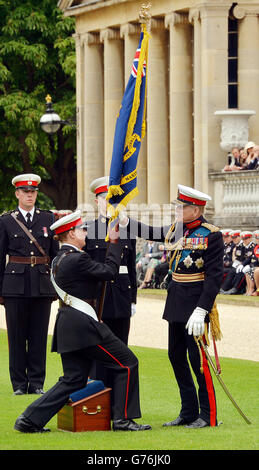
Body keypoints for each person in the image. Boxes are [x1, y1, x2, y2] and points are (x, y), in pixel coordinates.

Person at [14, 210, 151, 433]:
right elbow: (109, 272)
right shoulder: (78, 258)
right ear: (70, 234)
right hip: (83, 326)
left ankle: (29, 420)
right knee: (127, 362)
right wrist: (114, 243)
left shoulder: (60, 259)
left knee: (74, 379)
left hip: (69, 326)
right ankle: (122, 420)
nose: (85, 232)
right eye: (81, 229)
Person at [120, 184, 224, 428]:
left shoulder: (212, 234)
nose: (178, 210)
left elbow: (214, 277)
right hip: (176, 300)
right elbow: (153, 232)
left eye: (183, 206)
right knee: (175, 356)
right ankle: (188, 411)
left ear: (196, 210)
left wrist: (202, 309)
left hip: (196, 304)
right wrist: (126, 221)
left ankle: (208, 415)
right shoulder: (178, 230)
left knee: (198, 360)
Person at [0, 174, 59, 395]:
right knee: (16, 337)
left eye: (33, 192)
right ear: (17, 194)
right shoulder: (6, 220)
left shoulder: (48, 219)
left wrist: (55, 287)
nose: (30, 195)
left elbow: (54, 257)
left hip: (42, 285)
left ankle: (36, 383)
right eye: (25, 192)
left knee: (38, 336)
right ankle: (18, 384)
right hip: (14, 286)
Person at [85, 176, 137, 345]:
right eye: (104, 198)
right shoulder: (88, 229)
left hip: (121, 294)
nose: (108, 202)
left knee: (122, 346)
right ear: (96, 201)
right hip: (98, 295)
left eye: (112, 198)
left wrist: (132, 299)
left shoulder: (127, 229)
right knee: (98, 348)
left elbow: (131, 268)